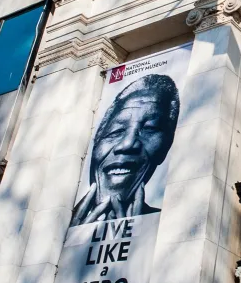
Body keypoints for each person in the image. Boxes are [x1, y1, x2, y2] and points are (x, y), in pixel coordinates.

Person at [71, 73, 180, 225]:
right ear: (96, 143)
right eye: (116, 131)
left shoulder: (167, 225)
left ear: (165, 148)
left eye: (150, 129)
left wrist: (137, 233)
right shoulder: (60, 225)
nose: (127, 144)